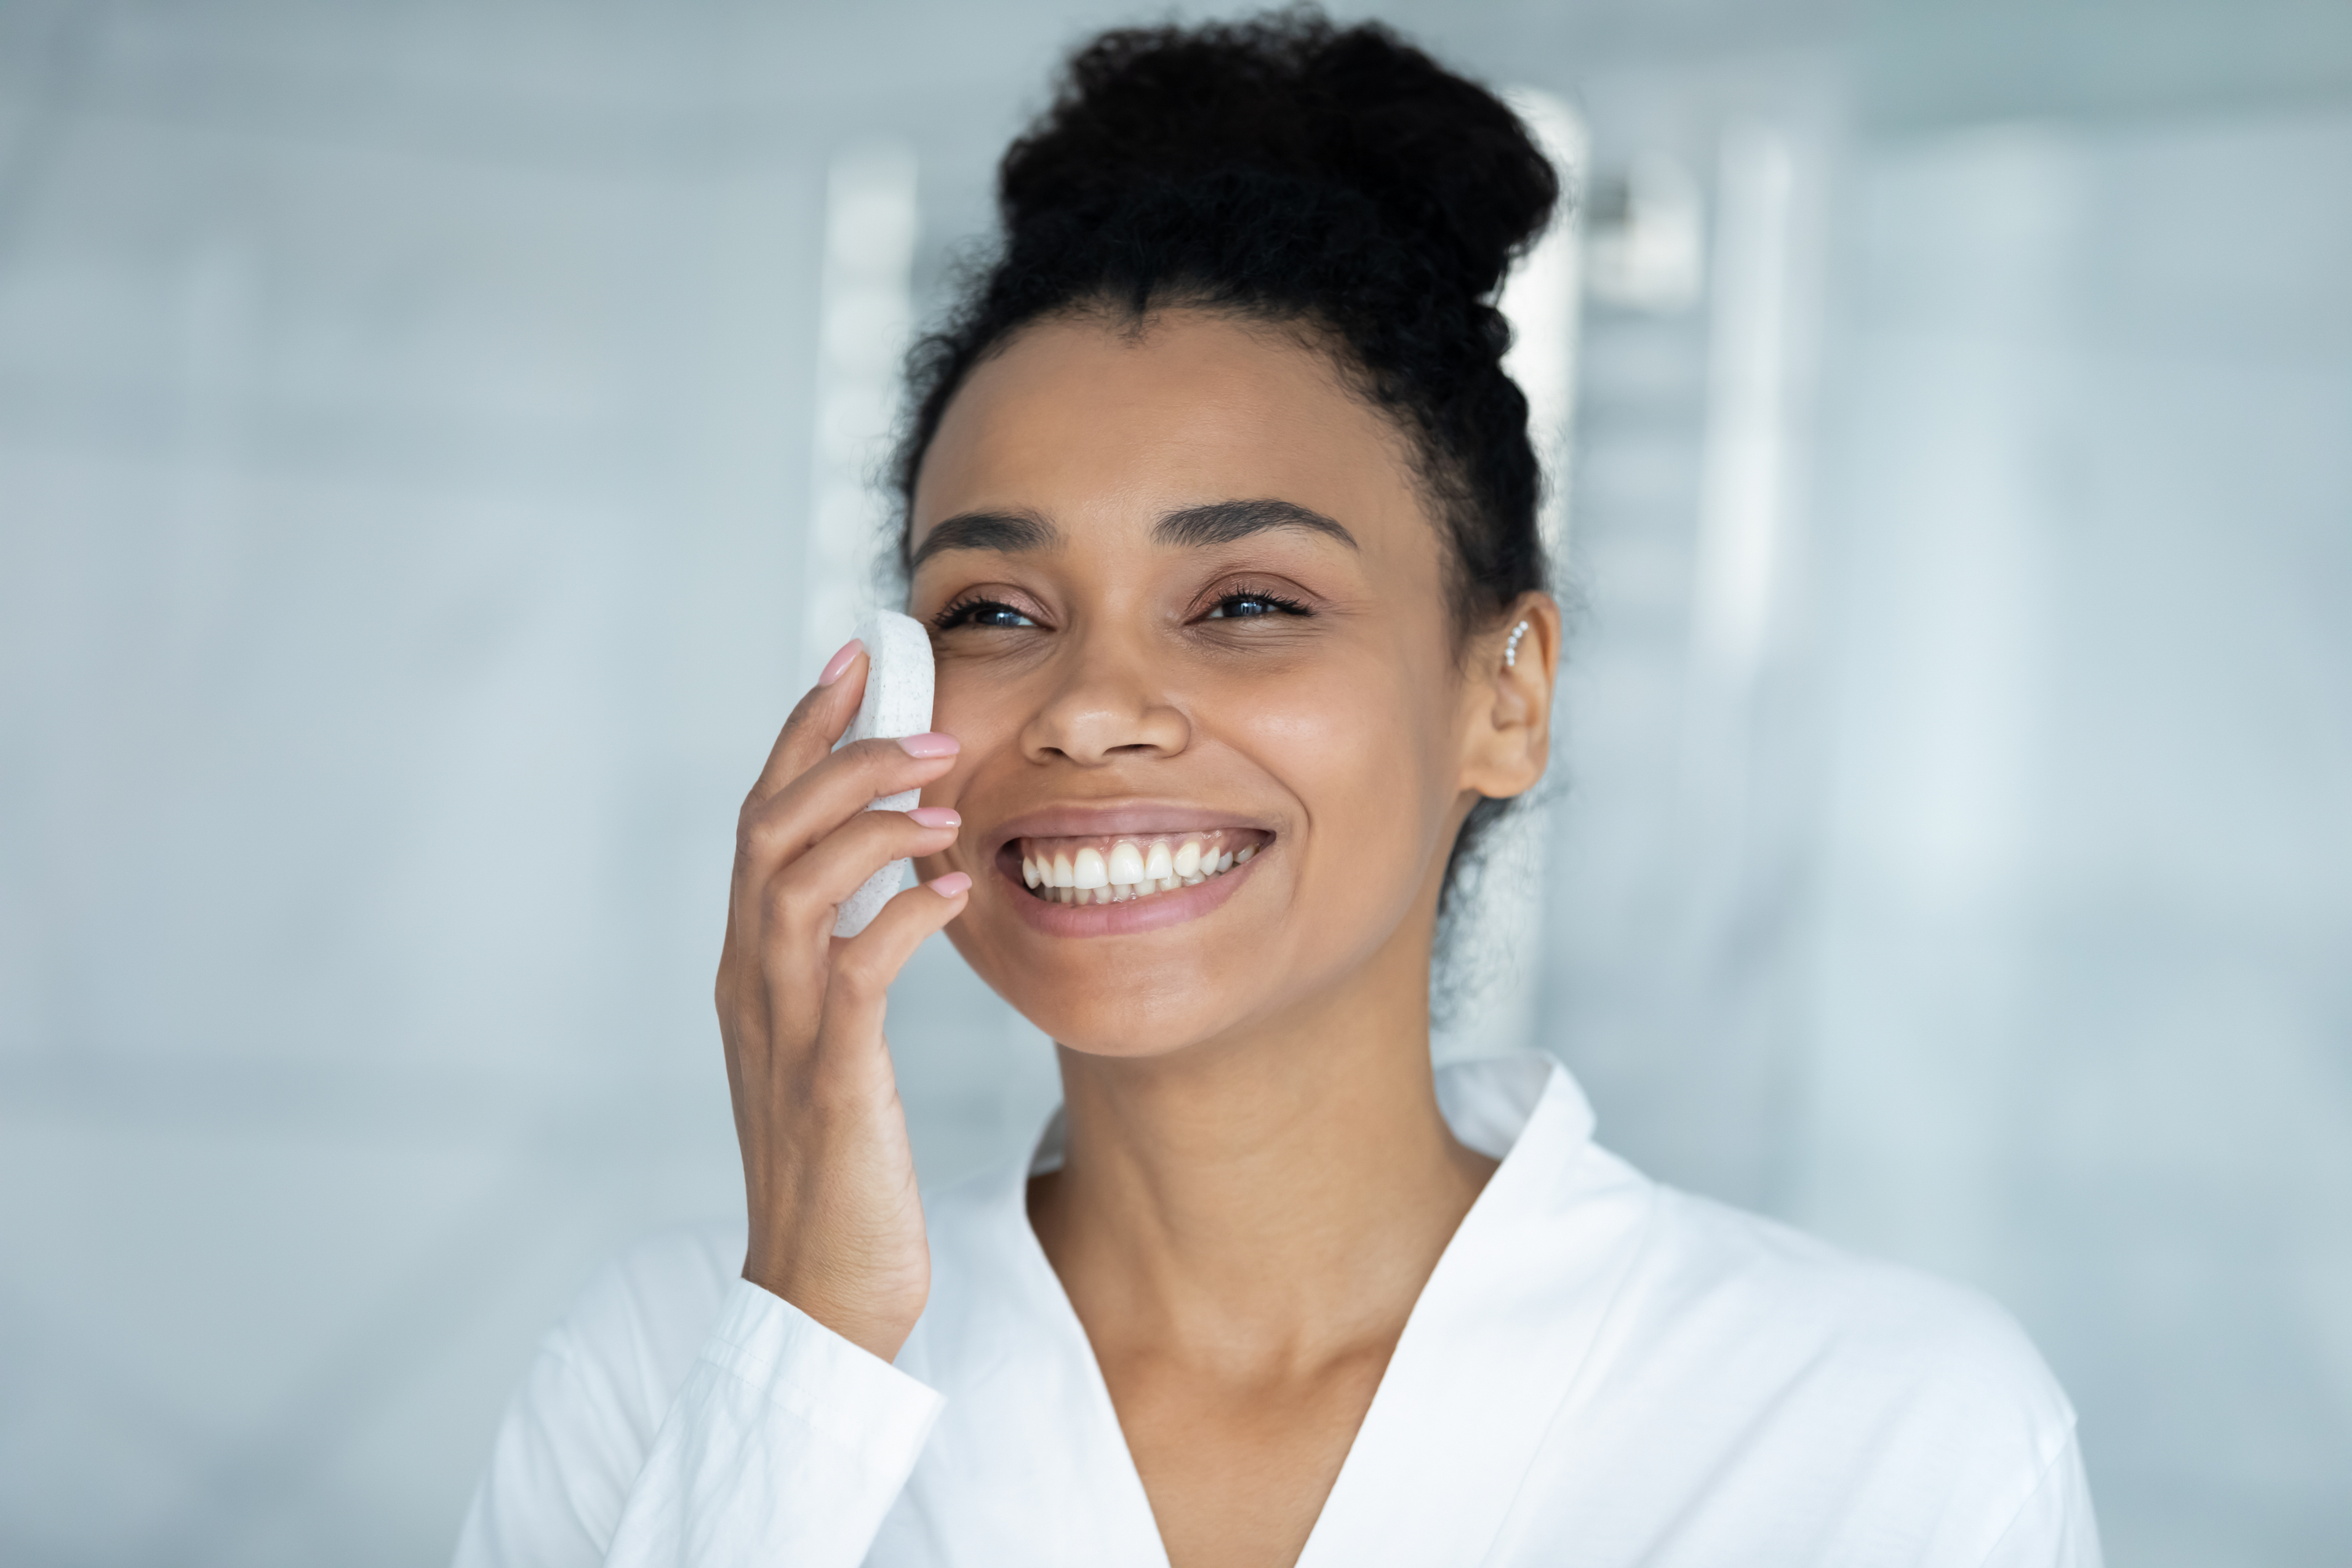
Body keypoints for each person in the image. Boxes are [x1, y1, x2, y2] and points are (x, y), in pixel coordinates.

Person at [452, 13, 2099, 1567]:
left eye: (1248, 602)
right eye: (995, 613)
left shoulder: (1878, 1434)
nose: (1092, 710)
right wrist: (803, 1348)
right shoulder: (678, 1362)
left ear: (1504, 690)